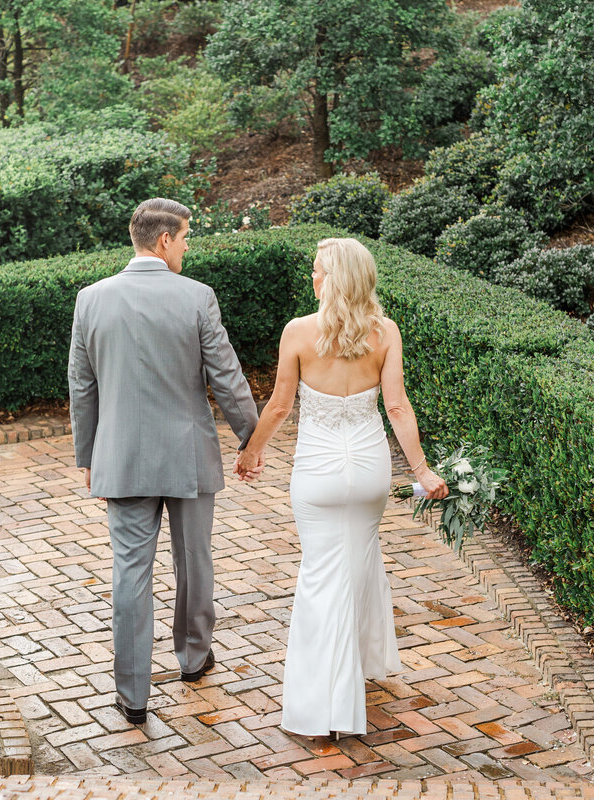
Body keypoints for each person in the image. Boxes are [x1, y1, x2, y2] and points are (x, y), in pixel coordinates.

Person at [234, 237, 448, 738]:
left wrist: (251, 452)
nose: (312, 279)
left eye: (317, 271)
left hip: (319, 473)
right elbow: (396, 407)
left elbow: (281, 406)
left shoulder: (299, 332)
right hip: (370, 470)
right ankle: (362, 662)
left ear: (335, 279)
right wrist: (422, 471)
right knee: (358, 559)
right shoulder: (386, 332)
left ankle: (322, 703)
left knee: (320, 576)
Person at [68, 198, 260, 726]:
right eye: (186, 237)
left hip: (122, 457)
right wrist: (252, 438)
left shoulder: (91, 299)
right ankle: (194, 658)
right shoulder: (197, 297)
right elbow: (226, 377)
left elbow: (81, 387)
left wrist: (88, 454)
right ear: (164, 241)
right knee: (194, 559)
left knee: (130, 570)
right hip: (188, 456)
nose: (188, 246)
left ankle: (132, 695)